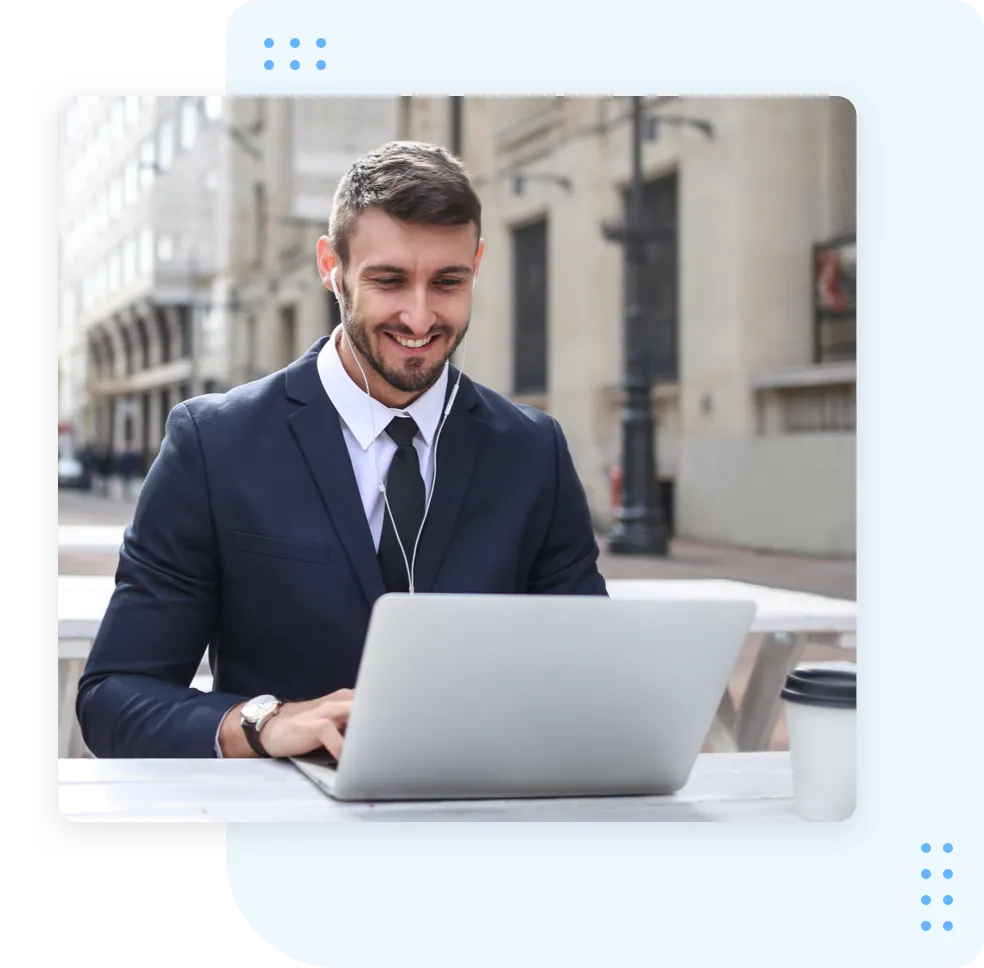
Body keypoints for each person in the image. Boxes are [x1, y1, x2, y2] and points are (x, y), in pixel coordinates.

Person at [76, 140, 608, 761]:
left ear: (477, 265)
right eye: (389, 281)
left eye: (447, 282)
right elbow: (114, 695)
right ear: (331, 266)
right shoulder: (214, 444)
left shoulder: (532, 450)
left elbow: (588, 669)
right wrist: (263, 724)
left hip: (480, 815)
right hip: (286, 825)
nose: (419, 316)